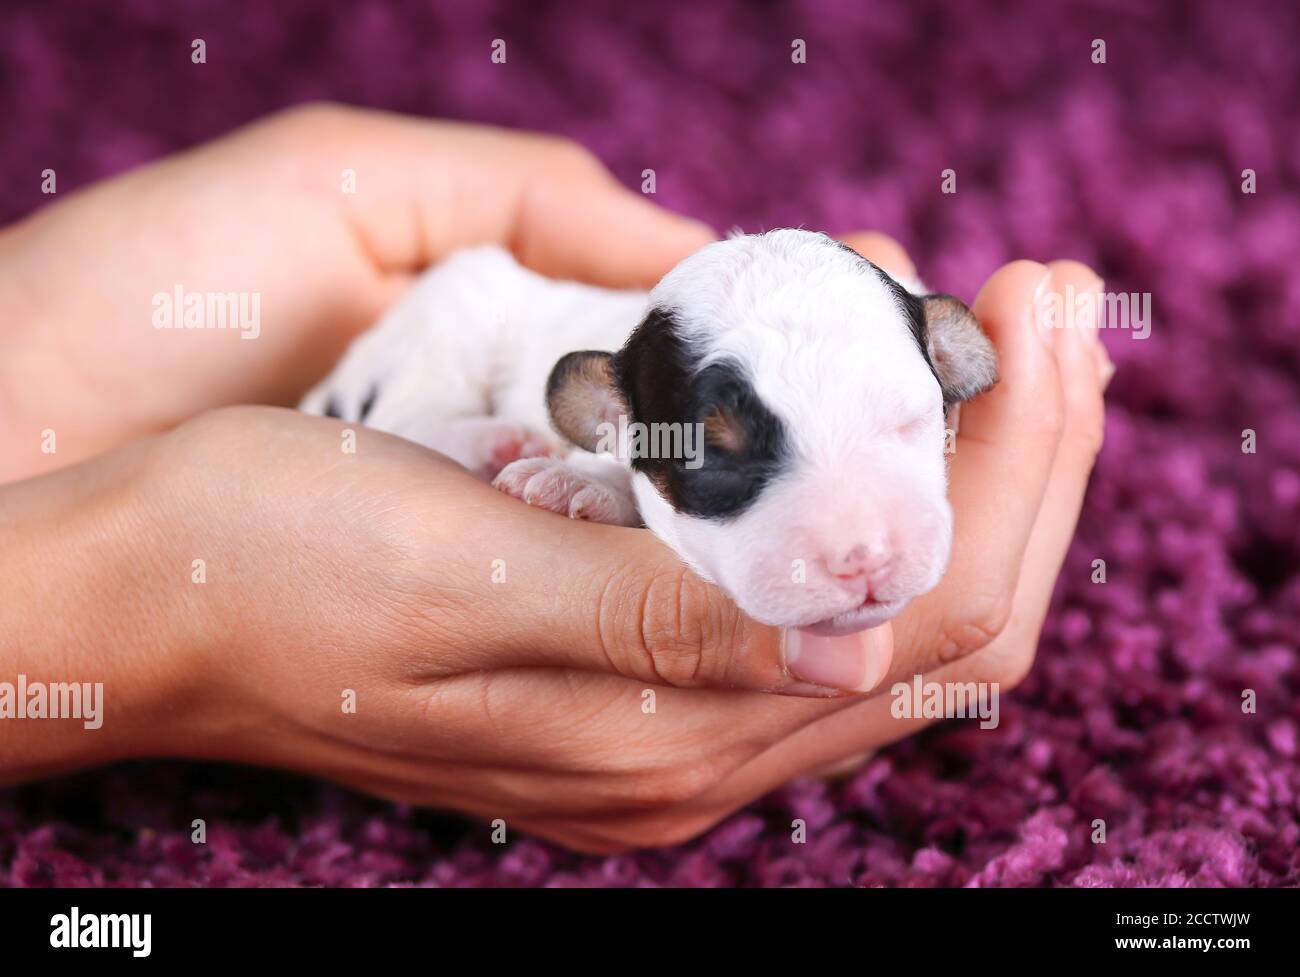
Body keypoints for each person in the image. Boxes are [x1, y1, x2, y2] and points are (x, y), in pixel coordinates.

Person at [0, 104, 1111, 852]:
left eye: (908, 423)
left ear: (949, 361)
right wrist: (140, 614)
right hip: (442, 364)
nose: (867, 546)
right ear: (618, 423)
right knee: (473, 294)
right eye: (730, 459)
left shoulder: (861, 345)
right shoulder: (597, 381)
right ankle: (427, 429)